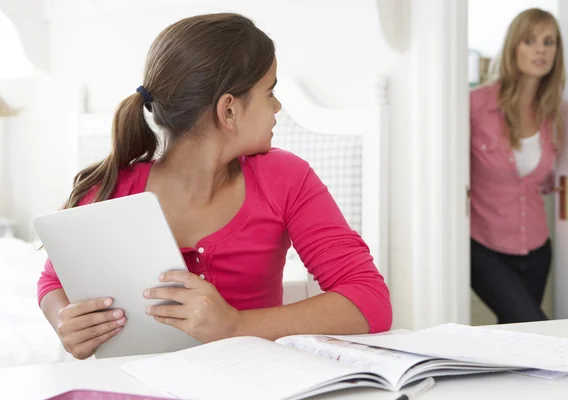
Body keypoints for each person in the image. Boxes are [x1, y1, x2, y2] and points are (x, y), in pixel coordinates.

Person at [37, 13, 392, 360]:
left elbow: (368, 299)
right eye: (270, 92)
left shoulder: (286, 178)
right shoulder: (109, 191)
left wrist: (234, 325)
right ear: (229, 111)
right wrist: (64, 322)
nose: (278, 106)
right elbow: (52, 282)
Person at [470, 8, 565, 324]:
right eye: (530, 40)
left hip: (538, 249)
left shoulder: (554, 114)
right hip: (485, 250)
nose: (541, 49)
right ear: (513, 47)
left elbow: (550, 180)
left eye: (549, 42)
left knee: (516, 335)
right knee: (536, 328)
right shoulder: (475, 105)